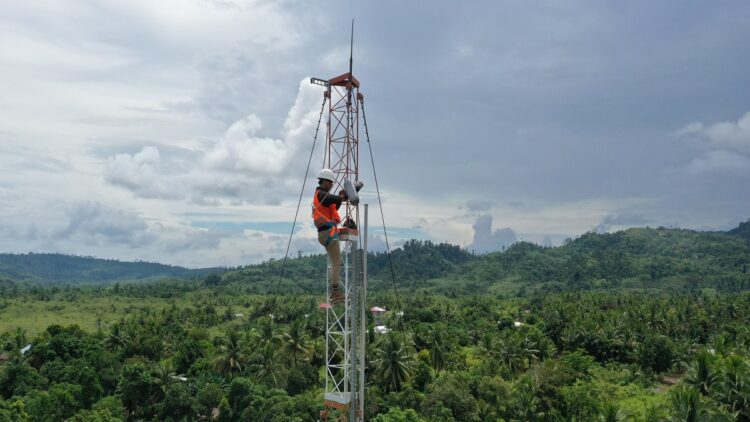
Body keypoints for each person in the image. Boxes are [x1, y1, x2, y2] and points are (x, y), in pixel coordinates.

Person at [312, 168, 346, 304]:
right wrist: (341, 197)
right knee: (336, 262)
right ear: (324, 181)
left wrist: (341, 198)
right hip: (328, 233)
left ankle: (335, 292)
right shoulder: (320, 194)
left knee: (335, 262)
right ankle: (335, 292)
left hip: (324, 233)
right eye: (330, 182)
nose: (331, 185)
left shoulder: (321, 197)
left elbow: (334, 204)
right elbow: (332, 199)